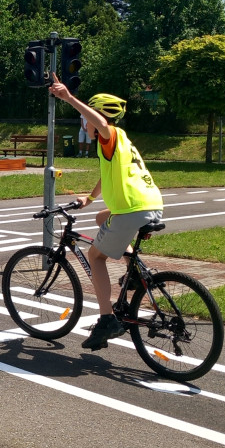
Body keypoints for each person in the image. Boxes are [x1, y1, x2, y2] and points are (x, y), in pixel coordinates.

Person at [47, 82, 163, 350]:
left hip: (132, 209)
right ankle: (132, 268)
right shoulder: (119, 139)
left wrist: (68, 97)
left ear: (93, 117)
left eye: (84, 118)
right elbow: (108, 174)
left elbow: (100, 123)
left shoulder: (108, 134)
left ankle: (106, 318)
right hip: (150, 203)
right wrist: (89, 197)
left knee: (95, 257)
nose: (83, 123)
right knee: (101, 218)